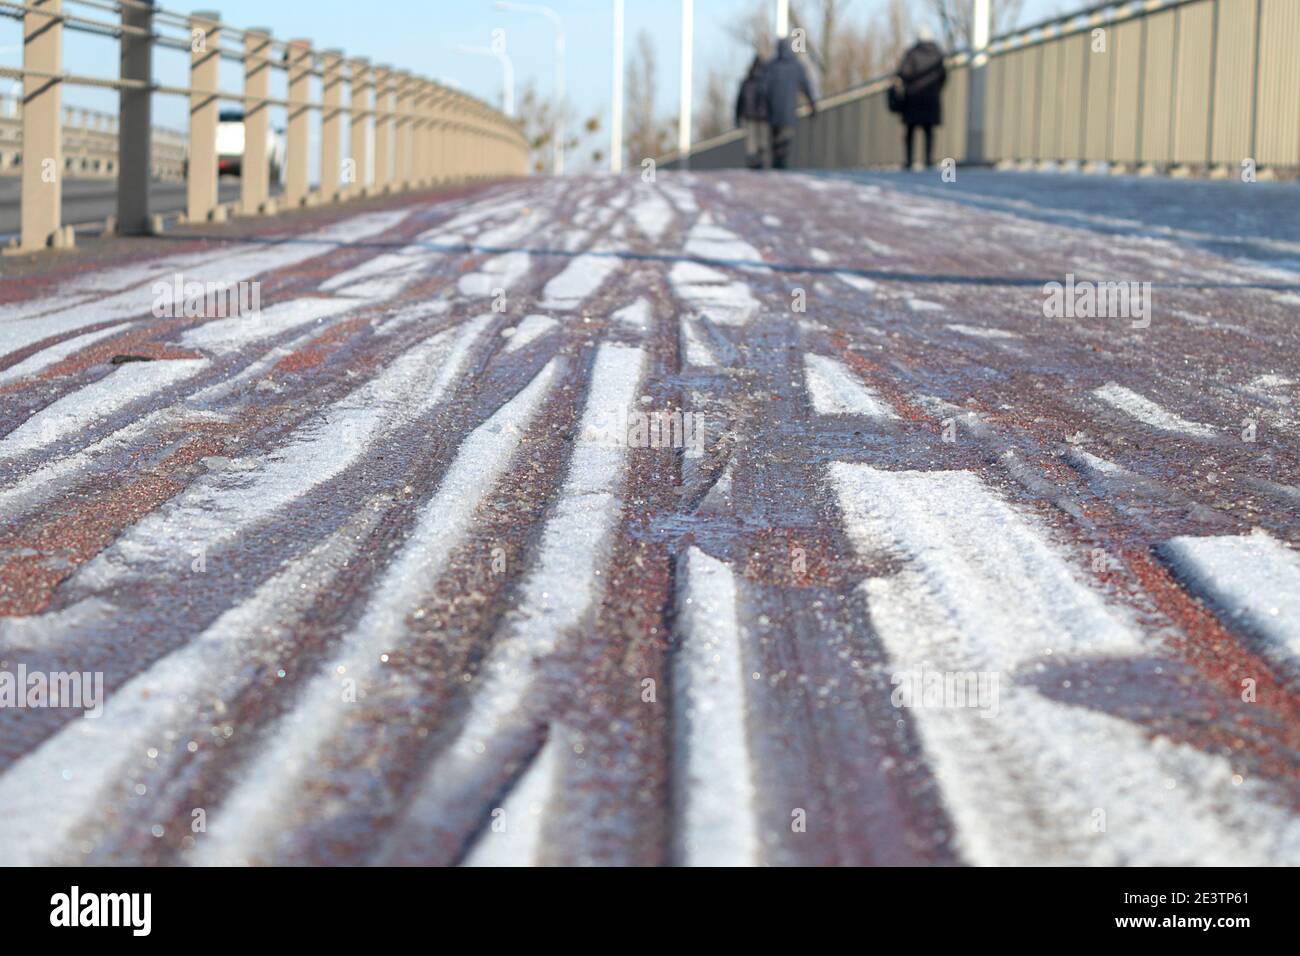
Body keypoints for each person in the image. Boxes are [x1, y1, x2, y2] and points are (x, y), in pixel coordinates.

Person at [894, 27, 947, 170]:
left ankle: (909, 160)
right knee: (928, 130)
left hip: (913, 97)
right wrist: (936, 90)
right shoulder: (938, 54)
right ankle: (928, 160)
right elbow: (943, 76)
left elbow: (903, 73)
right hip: (931, 97)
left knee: (910, 130)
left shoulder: (912, 53)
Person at [761, 37, 816, 170]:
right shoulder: (796, 66)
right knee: (785, 138)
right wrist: (812, 104)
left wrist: (764, 106)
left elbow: (763, 89)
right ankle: (781, 162)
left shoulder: (771, 66)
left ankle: (777, 163)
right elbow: (806, 86)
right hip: (789, 110)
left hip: (773, 111)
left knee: (775, 139)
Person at [735, 55, 770, 169]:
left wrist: (737, 118)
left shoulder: (746, 82)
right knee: (763, 142)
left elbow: (739, 101)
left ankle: (752, 165)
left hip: (748, 117)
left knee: (751, 144)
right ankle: (761, 164)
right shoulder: (767, 81)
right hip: (764, 117)